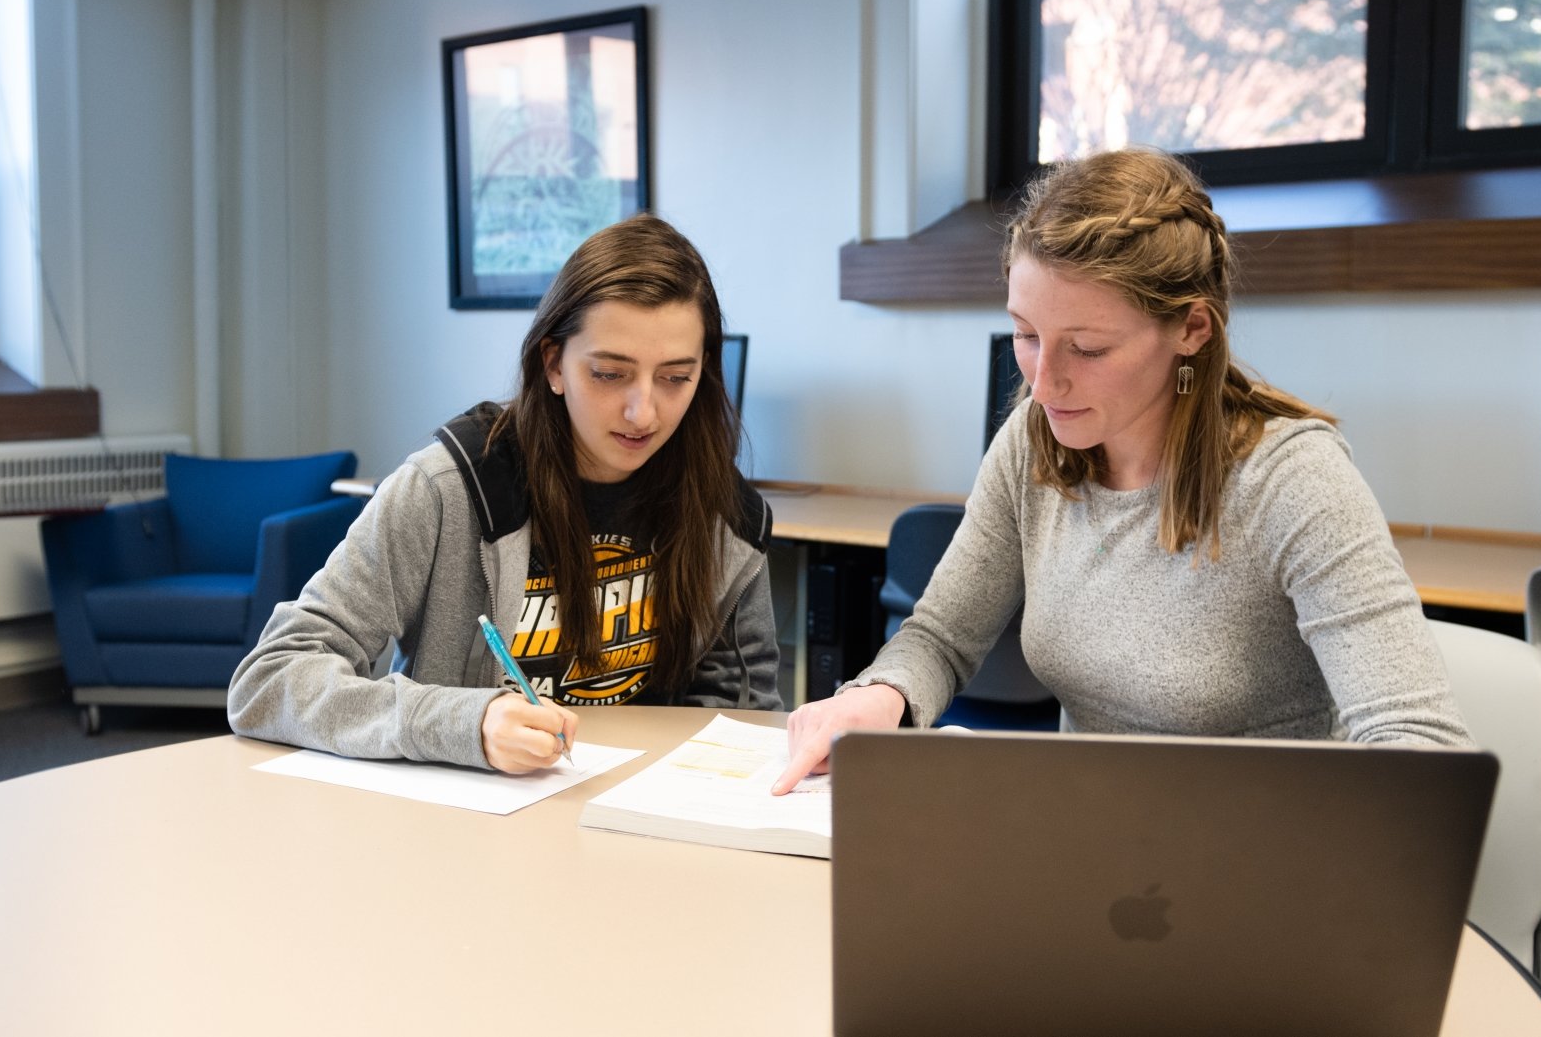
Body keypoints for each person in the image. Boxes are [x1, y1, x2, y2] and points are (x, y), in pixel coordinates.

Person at [773, 147, 1470, 794]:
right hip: (1094, 855)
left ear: (1193, 329)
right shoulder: (1032, 443)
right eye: (1026, 334)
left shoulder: (1292, 480)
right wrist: (880, 693)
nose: (1044, 385)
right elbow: (939, 638)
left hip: (1258, 865)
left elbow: (1422, 748)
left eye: (1089, 349)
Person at [230, 214, 780, 773]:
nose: (644, 412)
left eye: (674, 378)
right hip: (473, 828)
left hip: (635, 823)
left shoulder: (723, 514)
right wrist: (466, 723)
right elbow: (271, 679)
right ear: (553, 364)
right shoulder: (448, 490)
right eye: (610, 374)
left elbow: (746, 712)